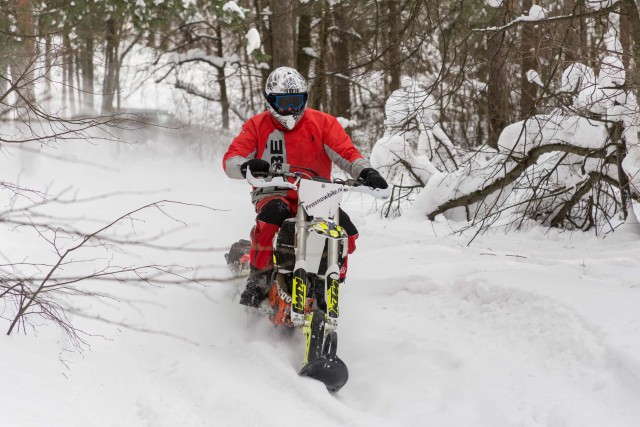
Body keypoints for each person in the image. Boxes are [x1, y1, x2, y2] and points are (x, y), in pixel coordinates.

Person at [222, 66, 388, 308]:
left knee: (347, 232)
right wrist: (247, 166)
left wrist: (366, 171)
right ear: (270, 101)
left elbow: (346, 153)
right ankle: (258, 279)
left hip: (317, 195)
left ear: (304, 99)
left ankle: (329, 278)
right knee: (272, 216)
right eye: (284, 102)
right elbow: (231, 158)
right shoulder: (257, 126)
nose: (290, 109)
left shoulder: (323, 123)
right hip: (274, 191)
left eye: (295, 101)